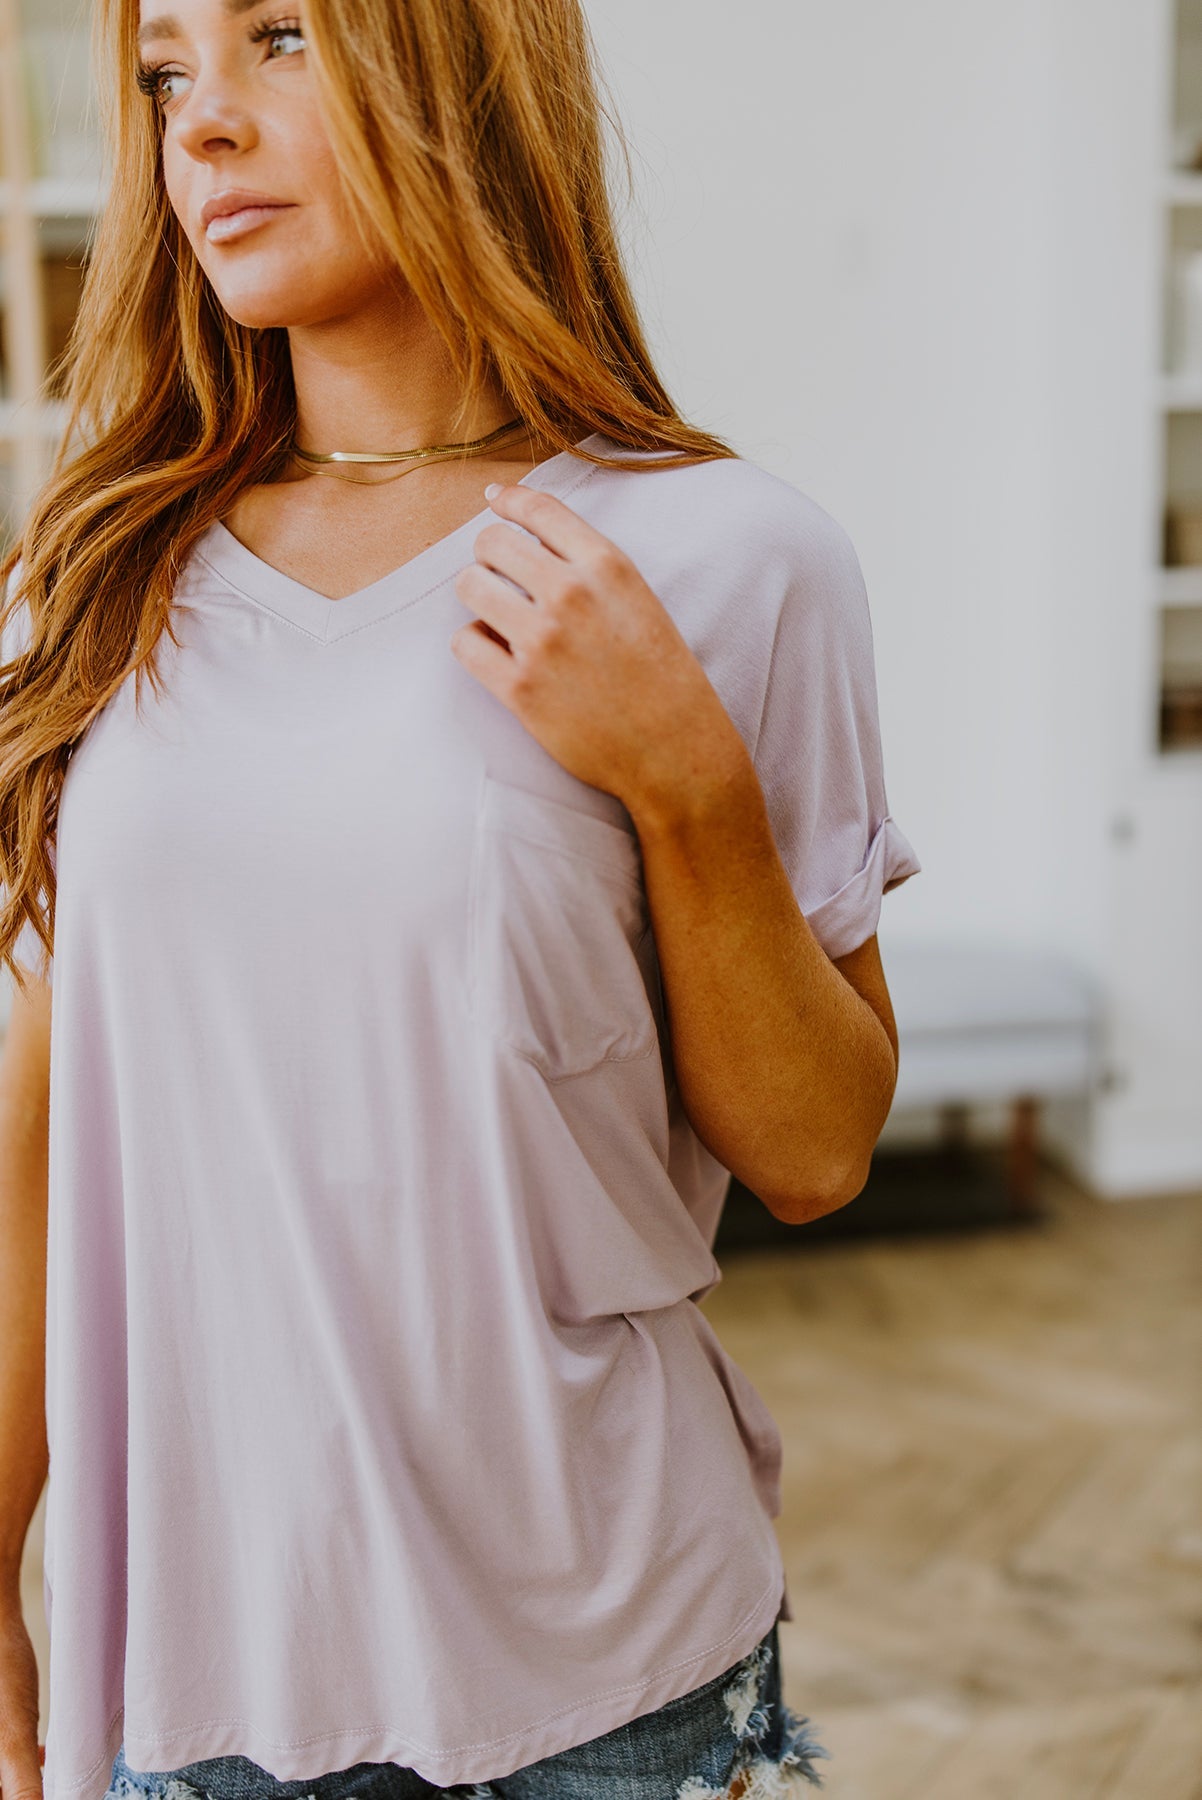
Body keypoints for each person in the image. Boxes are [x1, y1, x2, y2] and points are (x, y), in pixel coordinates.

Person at [0, 0, 923, 1794]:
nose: (200, 125)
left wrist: (685, 782)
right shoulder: (98, 581)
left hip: (606, 1679)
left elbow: (814, 1152)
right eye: (165, 71)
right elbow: (29, 1142)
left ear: (462, 61)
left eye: (276, 38)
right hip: (198, 1673)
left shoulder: (729, 556)